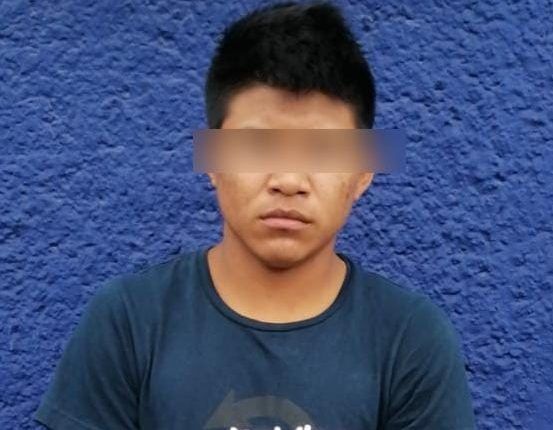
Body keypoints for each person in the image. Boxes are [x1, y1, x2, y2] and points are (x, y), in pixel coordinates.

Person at [33, 1, 477, 429]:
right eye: (258, 145)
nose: (288, 179)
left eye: (322, 150)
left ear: (364, 172)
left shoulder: (410, 339)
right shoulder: (129, 321)